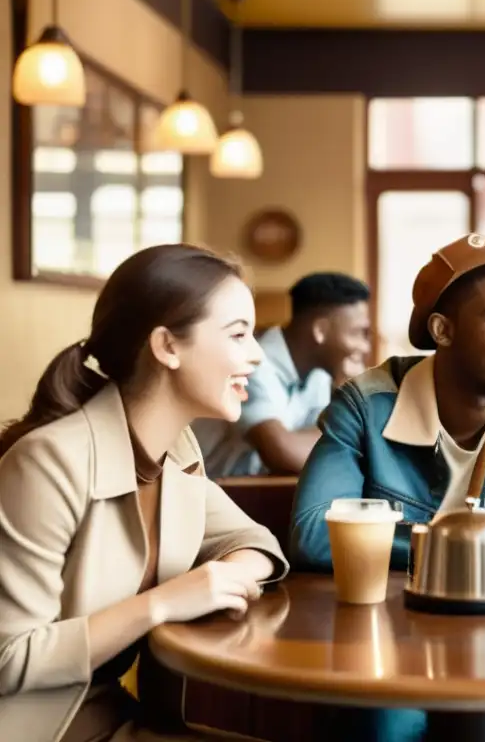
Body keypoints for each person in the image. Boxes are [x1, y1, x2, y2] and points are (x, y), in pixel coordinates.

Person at [0, 244, 289, 742]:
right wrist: (164, 603)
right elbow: (9, 659)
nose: (257, 353)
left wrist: (226, 577)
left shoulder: (176, 449)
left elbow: (255, 540)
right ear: (167, 347)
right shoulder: (47, 462)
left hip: (109, 714)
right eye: (238, 334)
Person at [291, 232, 485, 571]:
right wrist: (476, 540)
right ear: (442, 331)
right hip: (397, 614)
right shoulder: (365, 404)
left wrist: (423, 540)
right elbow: (315, 535)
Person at [194, 271, 371, 478]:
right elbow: (283, 454)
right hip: (220, 492)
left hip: (267, 493)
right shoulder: (252, 365)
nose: (365, 347)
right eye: (358, 333)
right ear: (320, 331)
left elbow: (335, 449)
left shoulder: (321, 375)